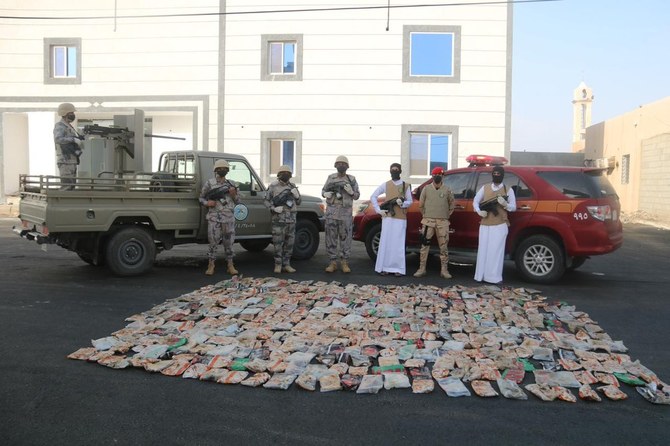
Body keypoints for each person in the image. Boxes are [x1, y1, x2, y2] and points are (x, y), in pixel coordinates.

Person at [473, 165, 517, 284]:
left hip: (499, 224)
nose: (496, 176)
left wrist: (505, 204)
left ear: (503, 175)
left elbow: (514, 207)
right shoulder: (485, 187)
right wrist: (479, 211)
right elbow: (476, 201)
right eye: (495, 174)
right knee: (483, 250)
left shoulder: (507, 190)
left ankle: (493, 277)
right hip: (485, 224)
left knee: (496, 252)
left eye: (499, 174)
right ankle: (480, 276)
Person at [199, 159, 241, 276]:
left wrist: (233, 195)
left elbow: (238, 201)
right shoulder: (210, 183)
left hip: (228, 218)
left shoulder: (232, 184)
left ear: (227, 170)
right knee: (213, 242)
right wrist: (207, 203)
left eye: (225, 168)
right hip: (214, 218)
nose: (222, 170)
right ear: (216, 170)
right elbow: (201, 198)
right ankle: (211, 265)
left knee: (229, 243)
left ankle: (230, 265)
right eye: (220, 168)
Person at [370, 163, 412, 276]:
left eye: (396, 169)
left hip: (401, 219)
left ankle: (398, 269)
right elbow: (373, 196)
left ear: (400, 171)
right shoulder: (386, 185)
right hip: (388, 218)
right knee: (386, 242)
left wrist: (402, 203)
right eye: (392, 170)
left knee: (398, 244)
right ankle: (384, 267)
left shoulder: (405, 185)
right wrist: (378, 210)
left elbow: (410, 201)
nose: (394, 171)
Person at [414, 167, 455, 279]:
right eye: (435, 175)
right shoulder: (426, 189)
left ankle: (444, 270)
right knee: (424, 245)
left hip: (443, 222)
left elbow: (452, 205)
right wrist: (427, 216)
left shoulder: (447, 190)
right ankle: (422, 268)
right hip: (428, 221)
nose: (437, 177)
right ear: (432, 176)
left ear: (442, 176)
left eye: (439, 175)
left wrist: (444, 216)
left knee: (444, 247)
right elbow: (421, 205)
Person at [322, 155, 360, 273]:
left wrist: (351, 192)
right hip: (332, 213)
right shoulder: (331, 178)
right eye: (339, 163)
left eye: (343, 164)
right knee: (331, 238)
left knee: (346, 238)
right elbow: (323, 191)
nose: (341, 165)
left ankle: (344, 262)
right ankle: (332, 262)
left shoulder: (351, 179)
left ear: (347, 166)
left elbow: (357, 195)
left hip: (345, 214)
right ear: (335, 165)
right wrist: (325, 194)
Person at [265, 165, 301, 274]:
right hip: (278, 220)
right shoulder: (273, 186)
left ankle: (287, 264)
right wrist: (273, 208)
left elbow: (299, 202)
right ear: (279, 175)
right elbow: (266, 201)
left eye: (288, 173)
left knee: (289, 243)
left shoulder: (293, 186)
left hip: (291, 219)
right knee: (277, 243)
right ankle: (278, 264)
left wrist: (297, 196)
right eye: (283, 173)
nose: (286, 175)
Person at [53, 102, 84, 190]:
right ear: (65, 113)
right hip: (65, 160)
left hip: (71, 160)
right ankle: (62, 203)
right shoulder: (60, 126)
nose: (73, 115)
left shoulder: (68, 126)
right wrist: (73, 139)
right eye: (71, 113)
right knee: (67, 187)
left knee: (71, 187)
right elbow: (58, 139)